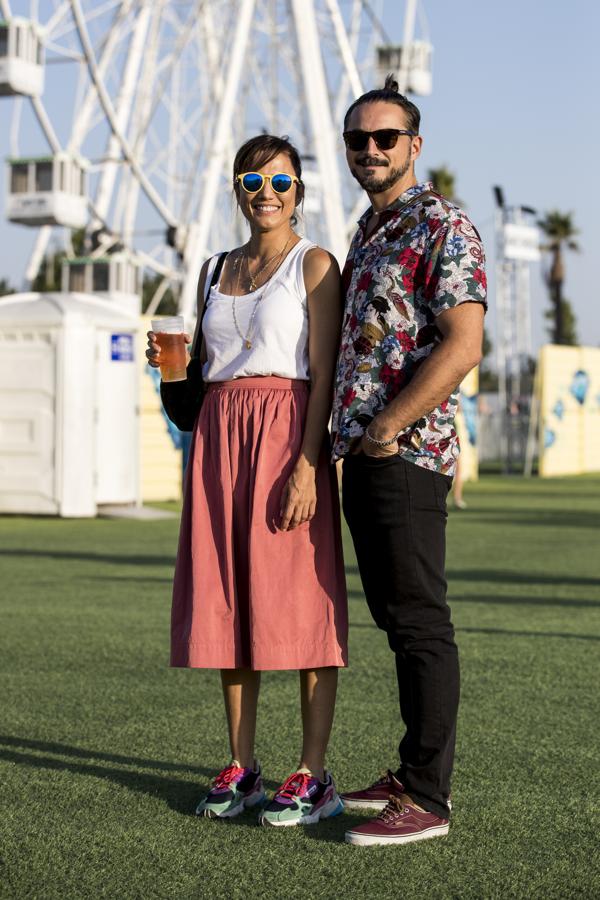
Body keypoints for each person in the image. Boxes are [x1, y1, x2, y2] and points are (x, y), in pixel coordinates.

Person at [146, 135, 348, 827]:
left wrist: (309, 466)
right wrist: (168, 369)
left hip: (286, 433)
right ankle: (243, 764)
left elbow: (323, 373)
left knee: (300, 602)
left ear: (299, 189)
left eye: (281, 180)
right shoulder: (212, 269)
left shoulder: (314, 264)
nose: (267, 192)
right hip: (218, 438)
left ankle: (313, 773)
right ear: (237, 187)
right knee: (232, 601)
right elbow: (195, 384)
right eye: (253, 179)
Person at [332, 77, 487, 846]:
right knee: (397, 620)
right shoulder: (368, 231)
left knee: (421, 621)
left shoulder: (442, 225)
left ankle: (428, 795)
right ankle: (409, 767)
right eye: (358, 139)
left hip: (405, 452)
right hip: (363, 454)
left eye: (384, 138)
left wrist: (388, 426)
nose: (370, 149)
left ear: (414, 146)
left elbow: (463, 343)